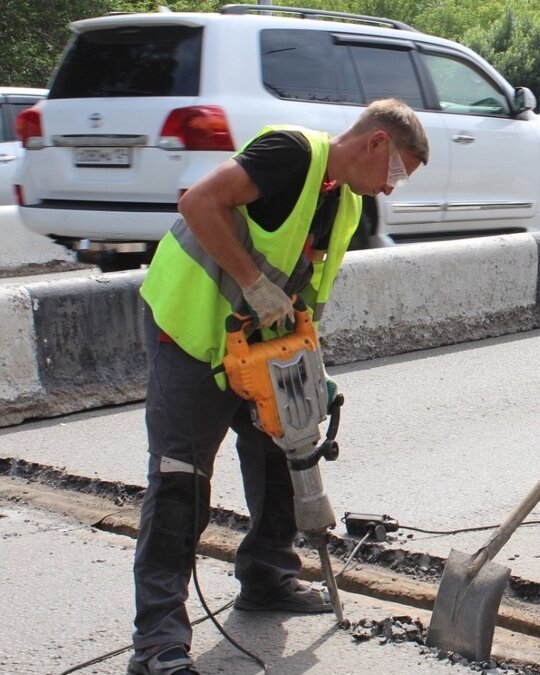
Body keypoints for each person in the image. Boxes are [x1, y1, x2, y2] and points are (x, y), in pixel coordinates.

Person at [129, 98, 429, 675]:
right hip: (190, 333)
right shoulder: (291, 152)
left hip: (259, 343)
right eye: (395, 173)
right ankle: (158, 644)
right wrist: (252, 282)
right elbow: (199, 203)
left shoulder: (342, 202)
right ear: (376, 143)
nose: (391, 190)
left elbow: (303, 290)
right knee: (179, 481)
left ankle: (267, 576)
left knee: (280, 451)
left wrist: (307, 367)